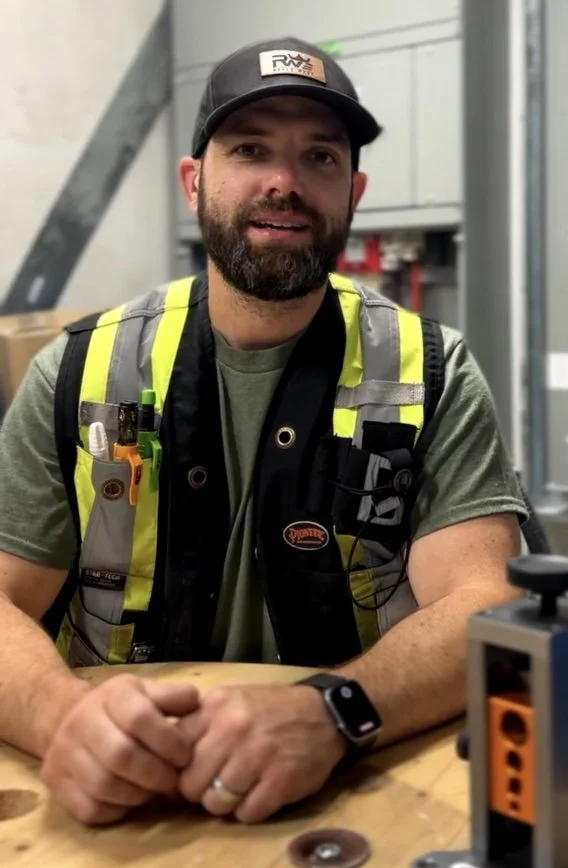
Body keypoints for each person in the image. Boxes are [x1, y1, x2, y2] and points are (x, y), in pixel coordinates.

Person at [0, 36, 528, 827]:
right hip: (122, 797)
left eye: (319, 157)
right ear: (194, 181)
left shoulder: (434, 372)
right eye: (250, 150)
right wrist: (58, 718)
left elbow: (488, 603)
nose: (284, 184)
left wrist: (337, 709)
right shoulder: (79, 373)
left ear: (353, 191)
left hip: (357, 782)